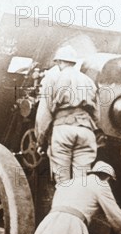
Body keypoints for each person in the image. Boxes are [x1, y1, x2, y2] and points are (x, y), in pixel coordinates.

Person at [35, 44, 99, 184]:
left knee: (63, 181)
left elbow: (44, 114)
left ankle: (64, 203)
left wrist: (40, 140)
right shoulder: (89, 81)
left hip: (63, 130)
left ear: (59, 62)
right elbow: (96, 114)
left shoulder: (53, 78)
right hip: (86, 132)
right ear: (73, 62)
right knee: (82, 181)